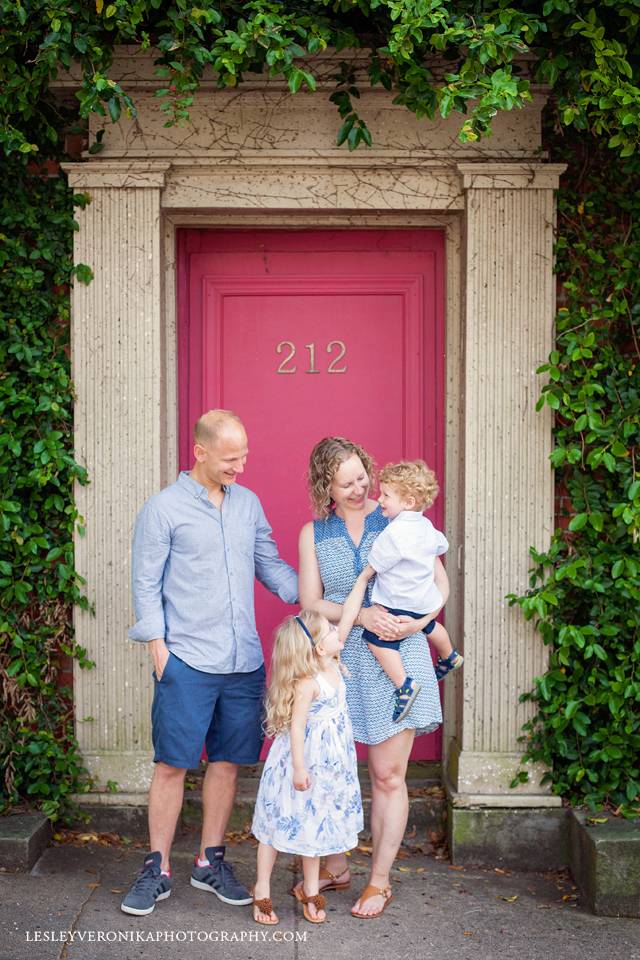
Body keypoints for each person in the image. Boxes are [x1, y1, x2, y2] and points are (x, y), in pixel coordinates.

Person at [120, 410, 298, 917]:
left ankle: (209, 861)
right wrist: (158, 646)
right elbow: (145, 582)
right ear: (198, 452)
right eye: (230, 458)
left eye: (244, 456)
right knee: (173, 763)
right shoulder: (163, 509)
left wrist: (316, 595)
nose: (240, 466)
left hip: (242, 661)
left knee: (227, 761)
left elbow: (270, 565)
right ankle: (157, 867)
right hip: (187, 661)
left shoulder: (248, 505)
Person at [298, 437, 447, 919]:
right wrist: (359, 617)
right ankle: (337, 865)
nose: (361, 488)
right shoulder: (314, 534)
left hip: (399, 655)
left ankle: (379, 881)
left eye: (364, 476)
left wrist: (421, 622)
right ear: (327, 486)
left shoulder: (400, 515)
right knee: (327, 769)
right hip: (339, 662)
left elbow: (438, 583)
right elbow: (310, 602)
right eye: (347, 483)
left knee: (387, 775)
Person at [250, 573, 369, 926]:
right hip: (300, 765)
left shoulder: (332, 662)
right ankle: (262, 889)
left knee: (315, 826)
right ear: (319, 647)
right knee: (275, 826)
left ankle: (313, 888)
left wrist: (364, 578)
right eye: (331, 631)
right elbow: (297, 728)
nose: (337, 632)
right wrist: (300, 768)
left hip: (330, 768)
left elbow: (347, 615)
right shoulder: (308, 683)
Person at [354, 459, 463, 724]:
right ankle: (450, 655)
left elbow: (375, 565)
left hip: (397, 601)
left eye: (387, 495)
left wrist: (367, 571)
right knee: (430, 626)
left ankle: (404, 683)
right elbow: (442, 545)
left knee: (375, 639)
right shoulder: (427, 527)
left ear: (409, 502)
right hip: (423, 600)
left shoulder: (394, 533)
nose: (380, 499)